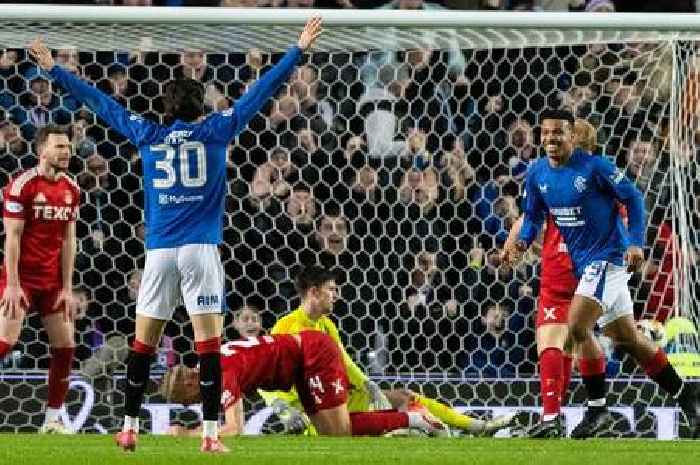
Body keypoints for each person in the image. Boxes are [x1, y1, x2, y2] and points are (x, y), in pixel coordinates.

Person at [29, 16, 323, 453]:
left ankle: (128, 427)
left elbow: (101, 103)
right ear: (199, 106)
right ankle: (209, 435)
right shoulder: (217, 129)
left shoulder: (148, 134)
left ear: (164, 109)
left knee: (142, 345)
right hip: (201, 250)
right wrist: (297, 49)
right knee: (208, 346)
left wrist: (54, 67)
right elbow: (259, 95)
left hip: (160, 252)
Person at [503, 109, 699, 439]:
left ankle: (597, 410)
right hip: (586, 267)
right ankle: (687, 394)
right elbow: (533, 215)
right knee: (627, 337)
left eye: (562, 134)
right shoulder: (539, 172)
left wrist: (636, 243)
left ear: (575, 140)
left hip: (609, 259)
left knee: (577, 325)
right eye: (547, 134)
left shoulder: (596, 169)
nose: (553, 140)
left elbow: (634, 199)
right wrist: (522, 242)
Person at [265, 265, 514, 436]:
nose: (337, 295)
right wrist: (281, 407)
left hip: (340, 398)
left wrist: (367, 384)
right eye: (331, 289)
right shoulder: (286, 328)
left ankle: (476, 426)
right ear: (313, 292)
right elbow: (264, 373)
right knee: (396, 428)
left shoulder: (326, 325)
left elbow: (346, 362)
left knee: (404, 397)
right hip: (313, 412)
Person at [161, 331, 447, 438]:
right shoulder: (211, 365)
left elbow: (234, 428)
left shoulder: (220, 373)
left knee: (340, 431)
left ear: (189, 380)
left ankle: (414, 419)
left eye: (184, 398)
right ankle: (411, 420)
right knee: (333, 433)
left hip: (312, 353)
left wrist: (188, 435)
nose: (189, 404)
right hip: (300, 365)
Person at [501, 118, 597, 437]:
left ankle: (552, 417)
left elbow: (532, 215)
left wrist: (512, 245)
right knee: (576, 340)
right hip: (592, 272)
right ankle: (594, 409)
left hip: (560, 266)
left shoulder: (556, 176)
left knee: (550, 340)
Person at [0, 125, 80, 433]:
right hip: (21, 279)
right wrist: (12, 284)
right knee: (5, 343)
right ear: (41, 150)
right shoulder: (22, 186)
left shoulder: (72, 190)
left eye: (68, 147)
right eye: (59, 146)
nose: (66, 152)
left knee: (66, 347)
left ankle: (52, 419)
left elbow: (69, 240)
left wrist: (68, 288)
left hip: (53, 283)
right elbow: (13, 238)